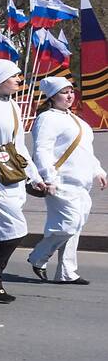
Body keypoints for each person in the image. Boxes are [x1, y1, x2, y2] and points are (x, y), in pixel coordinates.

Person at [0, 59, 45, 302]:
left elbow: (19, 145)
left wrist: (33, 175)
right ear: (0, 80)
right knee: (15, 229)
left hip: (10, 177)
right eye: (14, 76)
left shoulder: (13, 105)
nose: (18, 80)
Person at [28, 77, 106, 284]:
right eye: (64, 92)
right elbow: (42, 150)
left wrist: (98, 170)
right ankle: (38, 256)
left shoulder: (77, 120)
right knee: (68, 224)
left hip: (81, 183)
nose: (70, 96)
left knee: (77, 226)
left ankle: (67, 272)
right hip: (60, 182)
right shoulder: (47, 118)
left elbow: (86, 151)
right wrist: (49, 177)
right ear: (52, 96)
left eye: (71, 91)